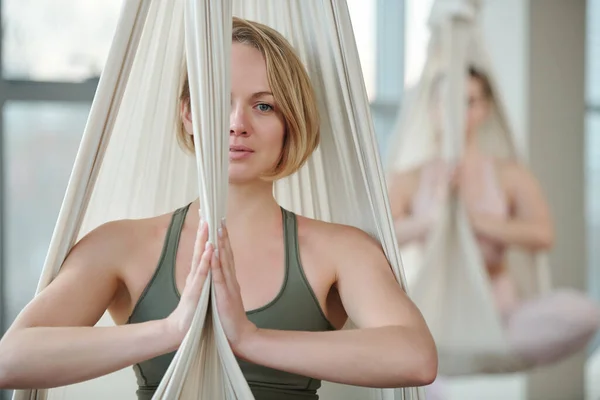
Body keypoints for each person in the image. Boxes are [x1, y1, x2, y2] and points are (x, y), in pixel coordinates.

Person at [0, 17, 438, 400]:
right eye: (218, 101)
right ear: (189, 113)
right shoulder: (122, 244)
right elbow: (11, 359)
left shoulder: (339, 250)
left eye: (263, 105)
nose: (237, 123)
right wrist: (170, 331)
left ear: (291, 124)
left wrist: (249, 338)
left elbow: (416, 358)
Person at [387, 65, 599, 366]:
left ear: (484, 109)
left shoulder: (508, 174)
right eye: (447, 102)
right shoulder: (407, 178)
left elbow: (542, 235)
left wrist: (477, 222)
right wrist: (433, 218)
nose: (457, 113)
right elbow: (380, 240)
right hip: (437, 309)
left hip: (499, 311)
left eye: (469, 102)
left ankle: (480, 351)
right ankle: (440, 355)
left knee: (584, 313)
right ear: (433, 109)